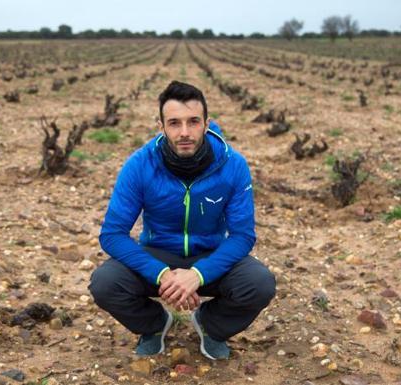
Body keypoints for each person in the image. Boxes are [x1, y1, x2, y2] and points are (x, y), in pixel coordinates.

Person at [89, 80, 276, 360]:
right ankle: (154, 325)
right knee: (104, 282)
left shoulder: (233, 164)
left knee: (260, 283)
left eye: (193, 122)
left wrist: (198, 275)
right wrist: (161, 274)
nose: (185, 132)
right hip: (158, 253)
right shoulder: (139, 165)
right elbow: (112, 234)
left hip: (210, 254)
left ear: (207, 123)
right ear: (161, 126)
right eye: (174, 123)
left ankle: (210, 325)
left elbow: (242, 235)